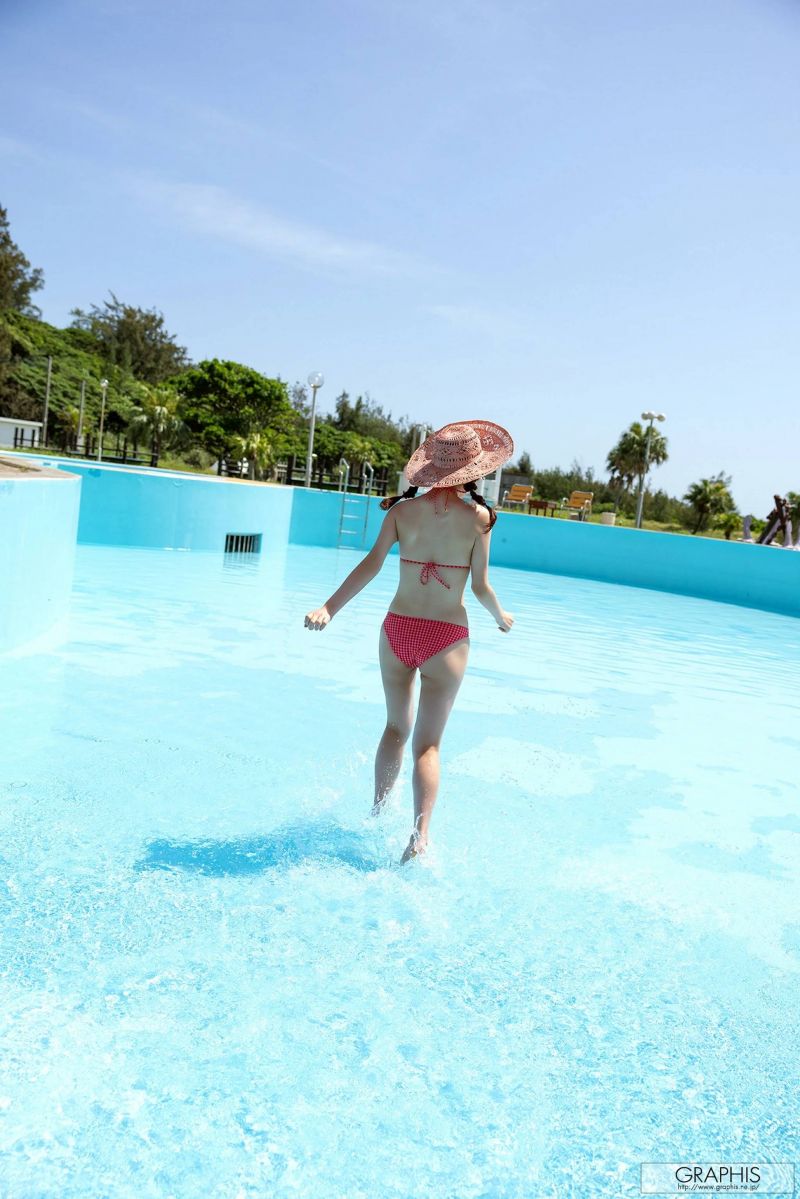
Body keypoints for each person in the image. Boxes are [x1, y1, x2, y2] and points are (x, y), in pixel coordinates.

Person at [304, 421, 515, 863]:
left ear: (430, 467)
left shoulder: (400, 513)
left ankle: (376, 814)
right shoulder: (480, 520)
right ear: (475, 471)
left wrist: (328, 608)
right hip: (447, 638)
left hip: (398, 628)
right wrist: (501, 616)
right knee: (429, 745)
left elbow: (371, 565)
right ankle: (420, 837)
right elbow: (479, 588)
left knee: (395, 729)